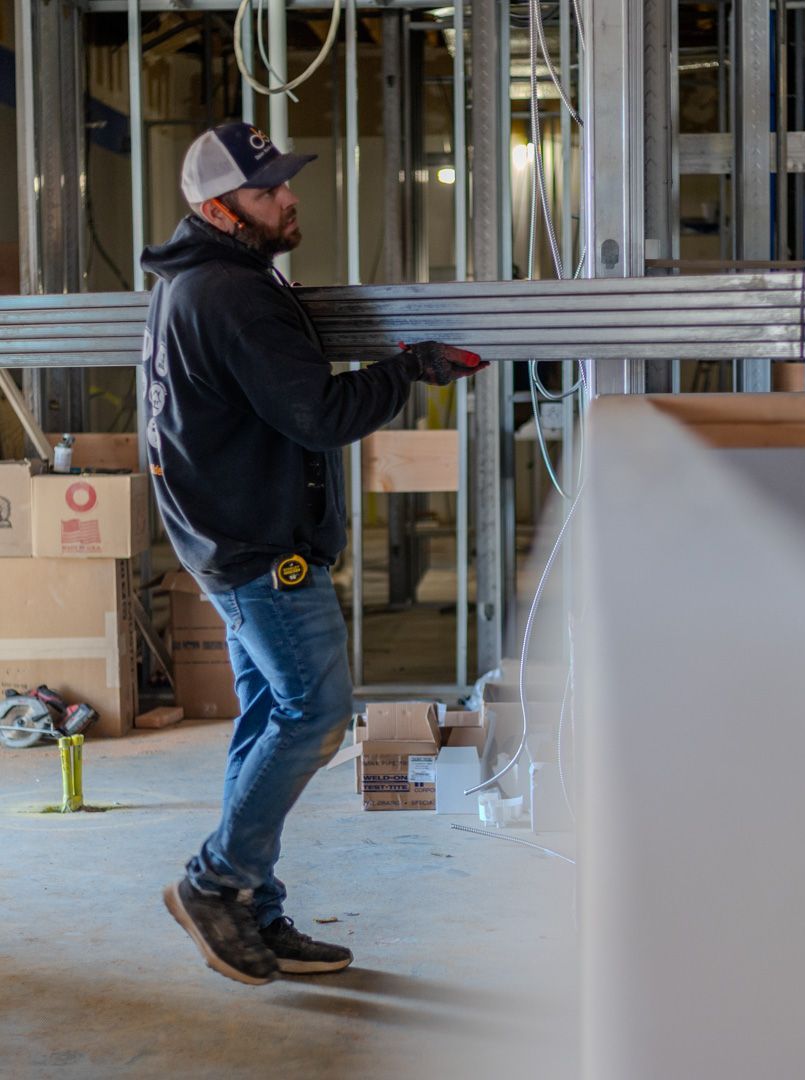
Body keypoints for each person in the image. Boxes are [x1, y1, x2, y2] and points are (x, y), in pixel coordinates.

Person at [140, 121, 488, 987]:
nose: (291, 197)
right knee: (316, 713)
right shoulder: (230, 294)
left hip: (227, 540)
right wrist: (409, 369)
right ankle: (213, 883)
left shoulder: (215, 282)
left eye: (287, 182)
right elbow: (322, 417)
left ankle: (252, 905)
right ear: (221, 210)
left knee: (268, 717)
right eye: (269, 191)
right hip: (257, 548)